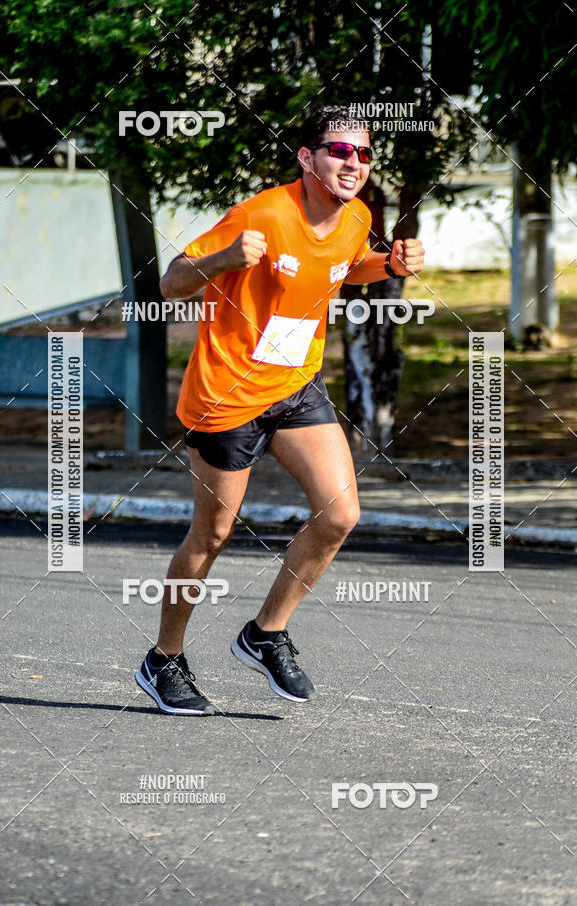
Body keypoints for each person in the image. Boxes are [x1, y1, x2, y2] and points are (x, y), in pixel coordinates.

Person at [135, 105, 425, 714]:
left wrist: (389, 265)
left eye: (364, 154)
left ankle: (264, 633)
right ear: (308, 157)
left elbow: (343, 270)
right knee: (212, 532)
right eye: (340, 151)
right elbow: (170, 282)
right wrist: (221, 259)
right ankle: (162, 661)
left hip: (296, 386)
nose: (353, 164)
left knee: (341, 513)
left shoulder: (356, 217)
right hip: (227, 396)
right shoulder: (263, 212)